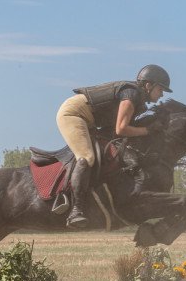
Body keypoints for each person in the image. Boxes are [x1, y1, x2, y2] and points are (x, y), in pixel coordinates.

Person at [56, 64, 172, 228]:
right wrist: (148, 130)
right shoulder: (131, 94)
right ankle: (76, 210)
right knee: (87, 157)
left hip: (90, 121)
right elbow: (121, 129)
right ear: (148, 85)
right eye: (160, 90)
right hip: (73, 114)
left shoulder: (139, 102)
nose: (161, 95)